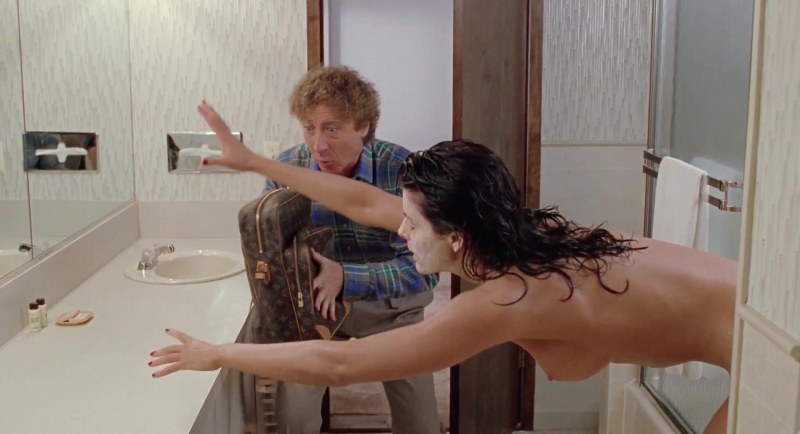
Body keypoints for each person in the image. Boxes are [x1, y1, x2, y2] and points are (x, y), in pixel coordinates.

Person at [149, 102, 738, 434]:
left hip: (768, 348)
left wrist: (219, 353)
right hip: (752, 316)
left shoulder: (510, 297)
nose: (399, 230)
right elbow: (362, 202)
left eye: (410, 223)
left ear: (455, 239)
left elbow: (341, 363)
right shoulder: (520, 237)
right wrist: (256, 162)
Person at [252, 66, 441, 434]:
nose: (318, 145)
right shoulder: (286, 170)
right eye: (309, 128)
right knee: (293, 419)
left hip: (392, 312)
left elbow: (426, 270)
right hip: (314, 311)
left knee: (421, 424)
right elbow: (269, 251)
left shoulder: (404, 170)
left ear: (364, 126)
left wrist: (346, 277)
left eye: (332, 129)